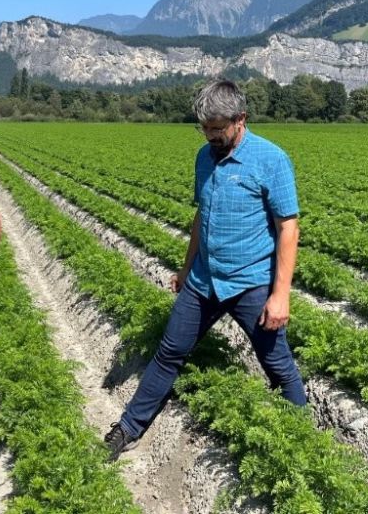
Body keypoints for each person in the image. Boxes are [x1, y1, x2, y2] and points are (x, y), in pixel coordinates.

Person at [105, 79, 307, 459]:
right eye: (205, 128)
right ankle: (128, 428)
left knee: (277, 362)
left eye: (218, 128)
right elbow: (203, 216)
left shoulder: (272, 159)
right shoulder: (204, 157)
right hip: (203, 281)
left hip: (250, 283)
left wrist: (280, 295)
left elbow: (288, 228)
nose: (211, 135)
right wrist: (185, 270)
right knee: (169, 354)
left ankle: (303, 441)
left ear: (240, 119)